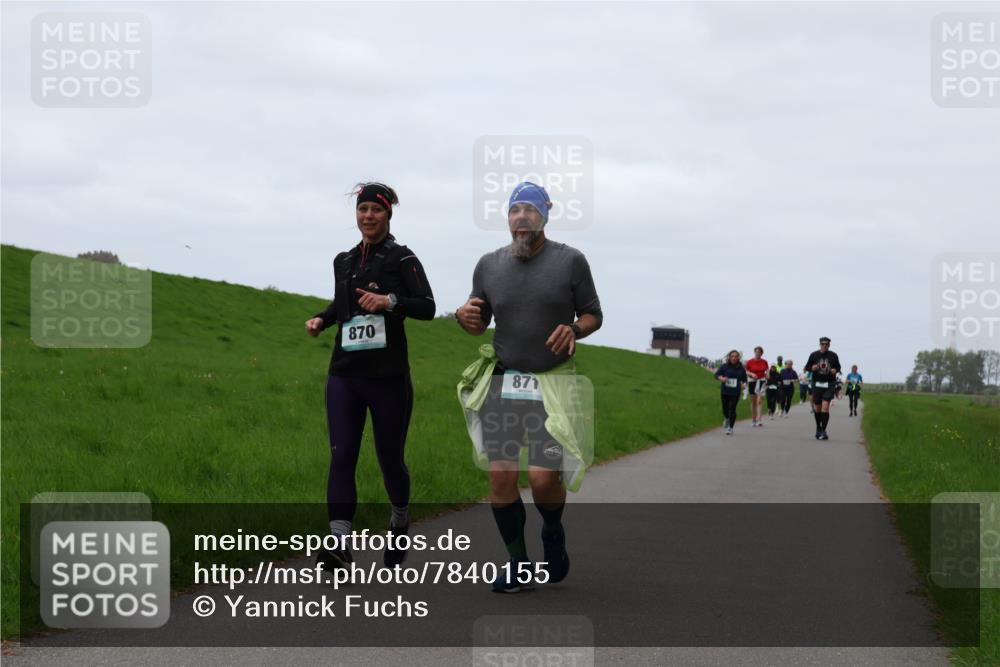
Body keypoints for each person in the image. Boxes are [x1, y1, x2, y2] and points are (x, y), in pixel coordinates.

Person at [455, 182, 602, 593]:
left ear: (545, 215)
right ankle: (518, 565)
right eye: (514, 210)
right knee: (500, 478)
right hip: (505, 381)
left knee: (541, 479)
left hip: (552, 386)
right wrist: (464, 317)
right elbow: (477, 318)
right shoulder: (488, 265)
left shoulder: (570, 261)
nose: (521, 217)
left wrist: (574, 329)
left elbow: (593, 314)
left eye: (530, 210)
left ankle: (552, 530)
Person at [305, 182, 436, 570]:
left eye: (375, 210)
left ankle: (399, 520)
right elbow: (342, 304)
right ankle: (340, 544)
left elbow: (427, 306)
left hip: (387, 377)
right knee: (341, 455)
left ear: (388, 214)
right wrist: (322, 319)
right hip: (344, 373)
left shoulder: (403, 258)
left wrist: (389, 301)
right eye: (362, 210)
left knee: (389, 460)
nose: (368, 217)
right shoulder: (343, 260)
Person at [803, 336, 842, 440]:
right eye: (823, 344)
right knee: (818, 408)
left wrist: (835, 370)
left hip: (829, 384)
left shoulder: (833, 355)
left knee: (825, 407)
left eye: (826, 344)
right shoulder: (814, 355)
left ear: (829, 345)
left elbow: (838, 367)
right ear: (819, 344)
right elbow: (806, 367)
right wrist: (812, 368)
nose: (824, 345)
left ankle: (823, 431)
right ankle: (818, 428)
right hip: (817, 384)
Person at [715, 350, 748, 435]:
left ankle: (730, 428)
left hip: (735, 392)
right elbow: (716, 375)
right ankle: (727, 418)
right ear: (729, 357)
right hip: (725, 391)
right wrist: (721, 378)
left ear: (738, 358)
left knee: (732, 409)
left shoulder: (741, 369)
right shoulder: (724, 367)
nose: (733, 358)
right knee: (725, 409)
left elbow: (745, 380)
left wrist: (744, 385)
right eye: (732, 356)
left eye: (735, 356)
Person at [744, 346, 769, 427]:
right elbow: (746, 371)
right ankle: (753, 419)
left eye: (760, 352)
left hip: (761, 381)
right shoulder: (749, 361)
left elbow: (767, 369)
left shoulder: (764, 361)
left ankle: (759, 419)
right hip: (752, 381)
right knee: (754, 402)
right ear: (754, 352)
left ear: (762, 353)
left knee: (759, 401)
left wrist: (768, 375)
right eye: (756, 352)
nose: (758, 353)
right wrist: (751, 374)